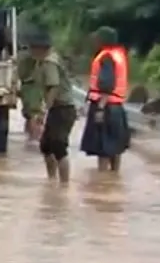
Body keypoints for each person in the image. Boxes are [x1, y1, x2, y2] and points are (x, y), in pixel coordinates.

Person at [27, 27, 78, 184]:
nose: (30, 51)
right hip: (59, 108)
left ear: (40, 48)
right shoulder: (45, 61)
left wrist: (43, 111)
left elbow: (53, 87)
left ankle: (64, 184)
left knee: (58, 147)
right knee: (46, 146)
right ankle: (52, 181)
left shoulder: (50, 62)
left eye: (32, 48)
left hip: (63, 109)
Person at [80, 26, 130, 172]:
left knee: (103, 147)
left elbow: (106, 84)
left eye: (97, 38)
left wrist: (100, 108)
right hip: (117, 106)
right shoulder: (118, 54)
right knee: (115, 146)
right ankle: (114, 177)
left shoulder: (106, 57)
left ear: (103, 40)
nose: (94, 41)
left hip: (105, 105)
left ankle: (101, 181)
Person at [16, 50, 42, 141]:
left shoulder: (21, 55)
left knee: (28, 114)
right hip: (32, 85)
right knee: (34, 114)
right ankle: (34, 138)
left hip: (25, 86)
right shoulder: (33, 56)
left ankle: (29, 137)